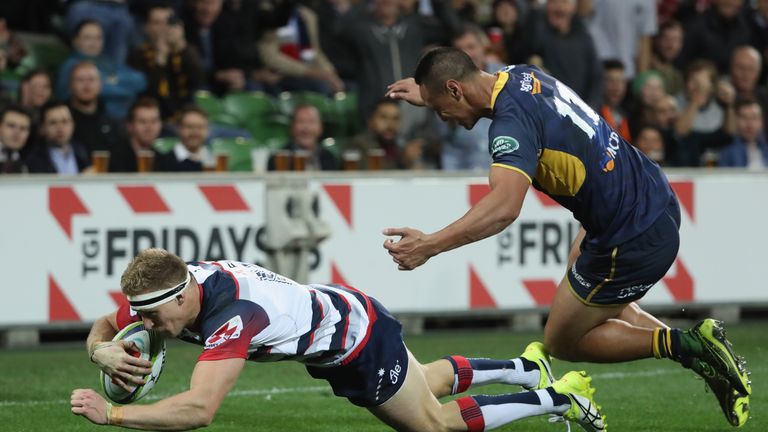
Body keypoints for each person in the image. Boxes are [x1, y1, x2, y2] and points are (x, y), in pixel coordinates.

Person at [383, 47, 751, 427]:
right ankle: (705, 358)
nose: (443, 118)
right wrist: (429, 90)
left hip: (630, 234)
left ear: (456, 89)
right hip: (649, 193)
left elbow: (503, 208)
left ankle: (690, 344)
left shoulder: (510, 125)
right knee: (586, 291)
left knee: (563, 341)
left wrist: (430, 245)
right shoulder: (521, 74)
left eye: (441, 106)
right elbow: (466, 80)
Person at [71, 248, 606, 431]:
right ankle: (527, 367)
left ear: (184, 295)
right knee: (426, 381)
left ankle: (559, 398)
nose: (145, 325)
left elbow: (200, 408)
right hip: (338, 320)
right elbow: (106, 322)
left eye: (151, 316)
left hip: (358, 340)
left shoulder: (233, 317)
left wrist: (113, 415)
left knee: (433, 424)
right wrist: (103, 348)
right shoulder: (172, 286)